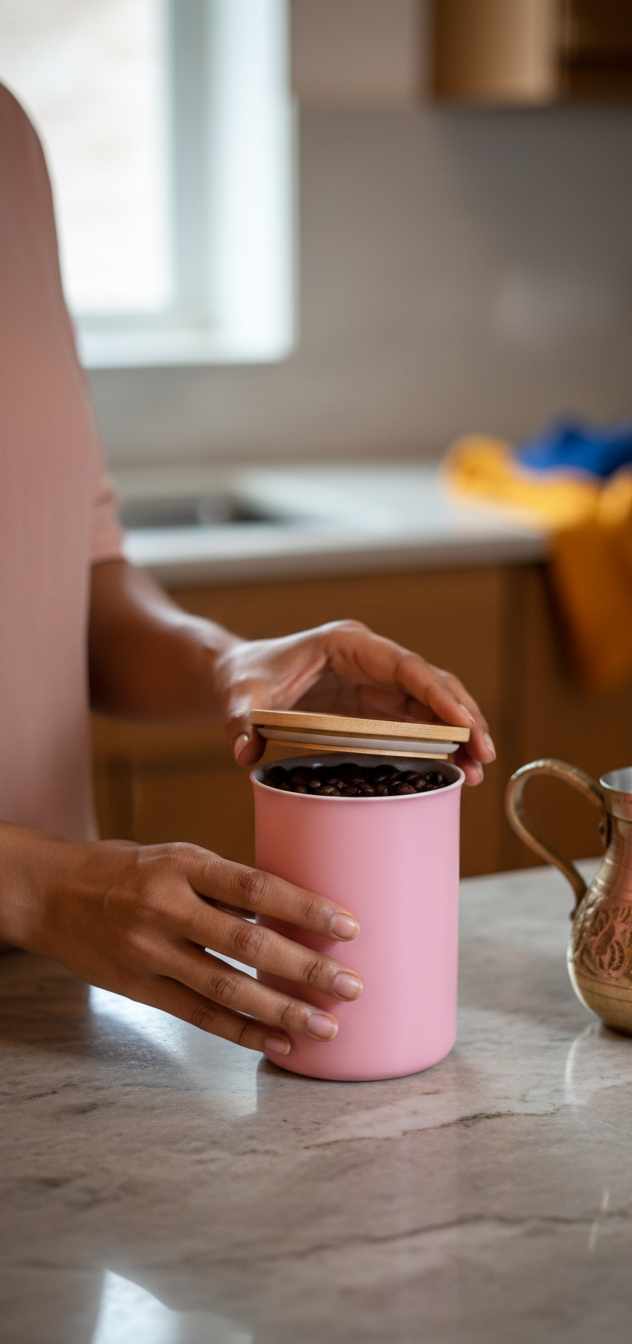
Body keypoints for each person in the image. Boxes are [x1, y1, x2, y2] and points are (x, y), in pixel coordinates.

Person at [0, 84, 495, 1061]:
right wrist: (39, 885)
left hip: (39, 1002)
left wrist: (237, 667)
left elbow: (74, 581)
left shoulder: (8, 140)